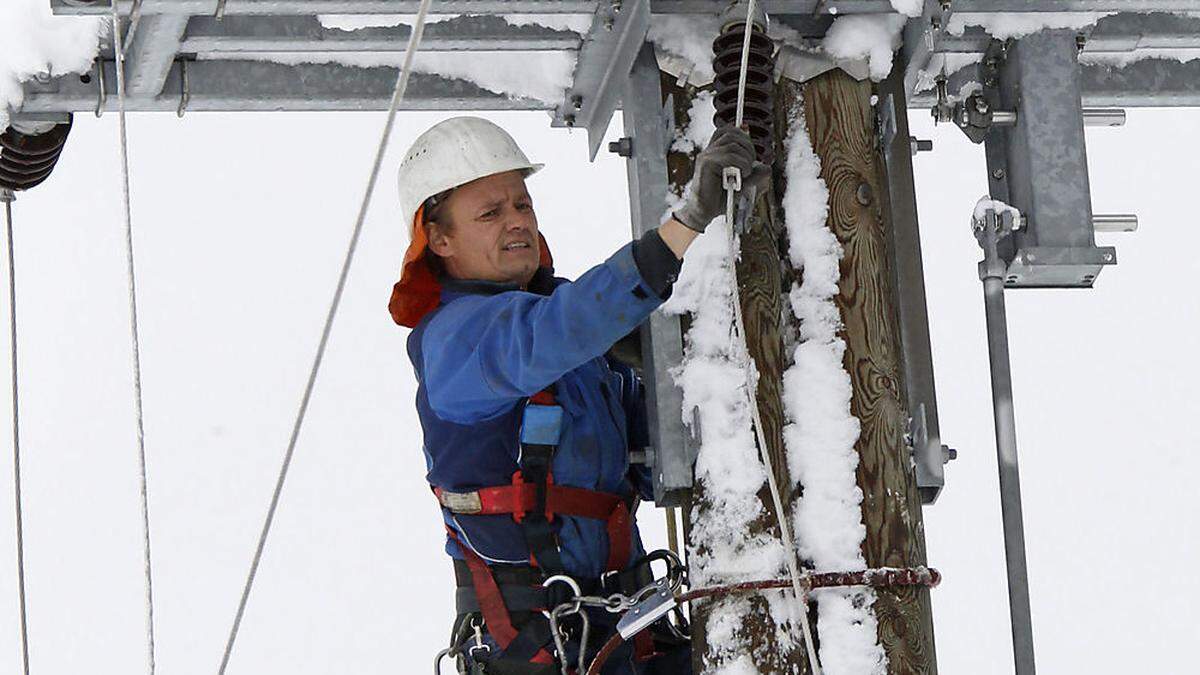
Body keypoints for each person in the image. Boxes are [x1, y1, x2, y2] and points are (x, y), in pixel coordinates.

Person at [390, 117, 764, 674]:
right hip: (539, 644)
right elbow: (560, 329)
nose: (516, 222)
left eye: (521, 204)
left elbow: (656, 450)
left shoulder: (576, 339)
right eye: (490, 213)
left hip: (628, 629)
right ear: (438, 240)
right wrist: (686, 225)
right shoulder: (454, 339)